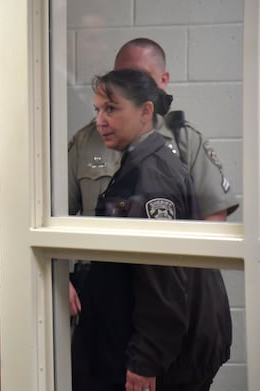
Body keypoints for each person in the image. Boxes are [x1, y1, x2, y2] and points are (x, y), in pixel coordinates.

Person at [71, 69, 232, 391]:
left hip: (161, 358)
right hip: (135, 340)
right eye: (98, 110)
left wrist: (146, 360)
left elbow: (163, 280)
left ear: (145, 111)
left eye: (111, 109)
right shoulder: (137, 163)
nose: (100, 120)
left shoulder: (151, 176)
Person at [67, 37, 239, 316]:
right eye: (122, 76)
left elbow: (214, 218)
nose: (131, 85)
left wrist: (184, 283)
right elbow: (48, 215)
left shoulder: (184, 140)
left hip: (165, 292)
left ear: (163, 80)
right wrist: (58, 279)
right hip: (100, 292)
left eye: (141, 76)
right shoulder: (87, 141)